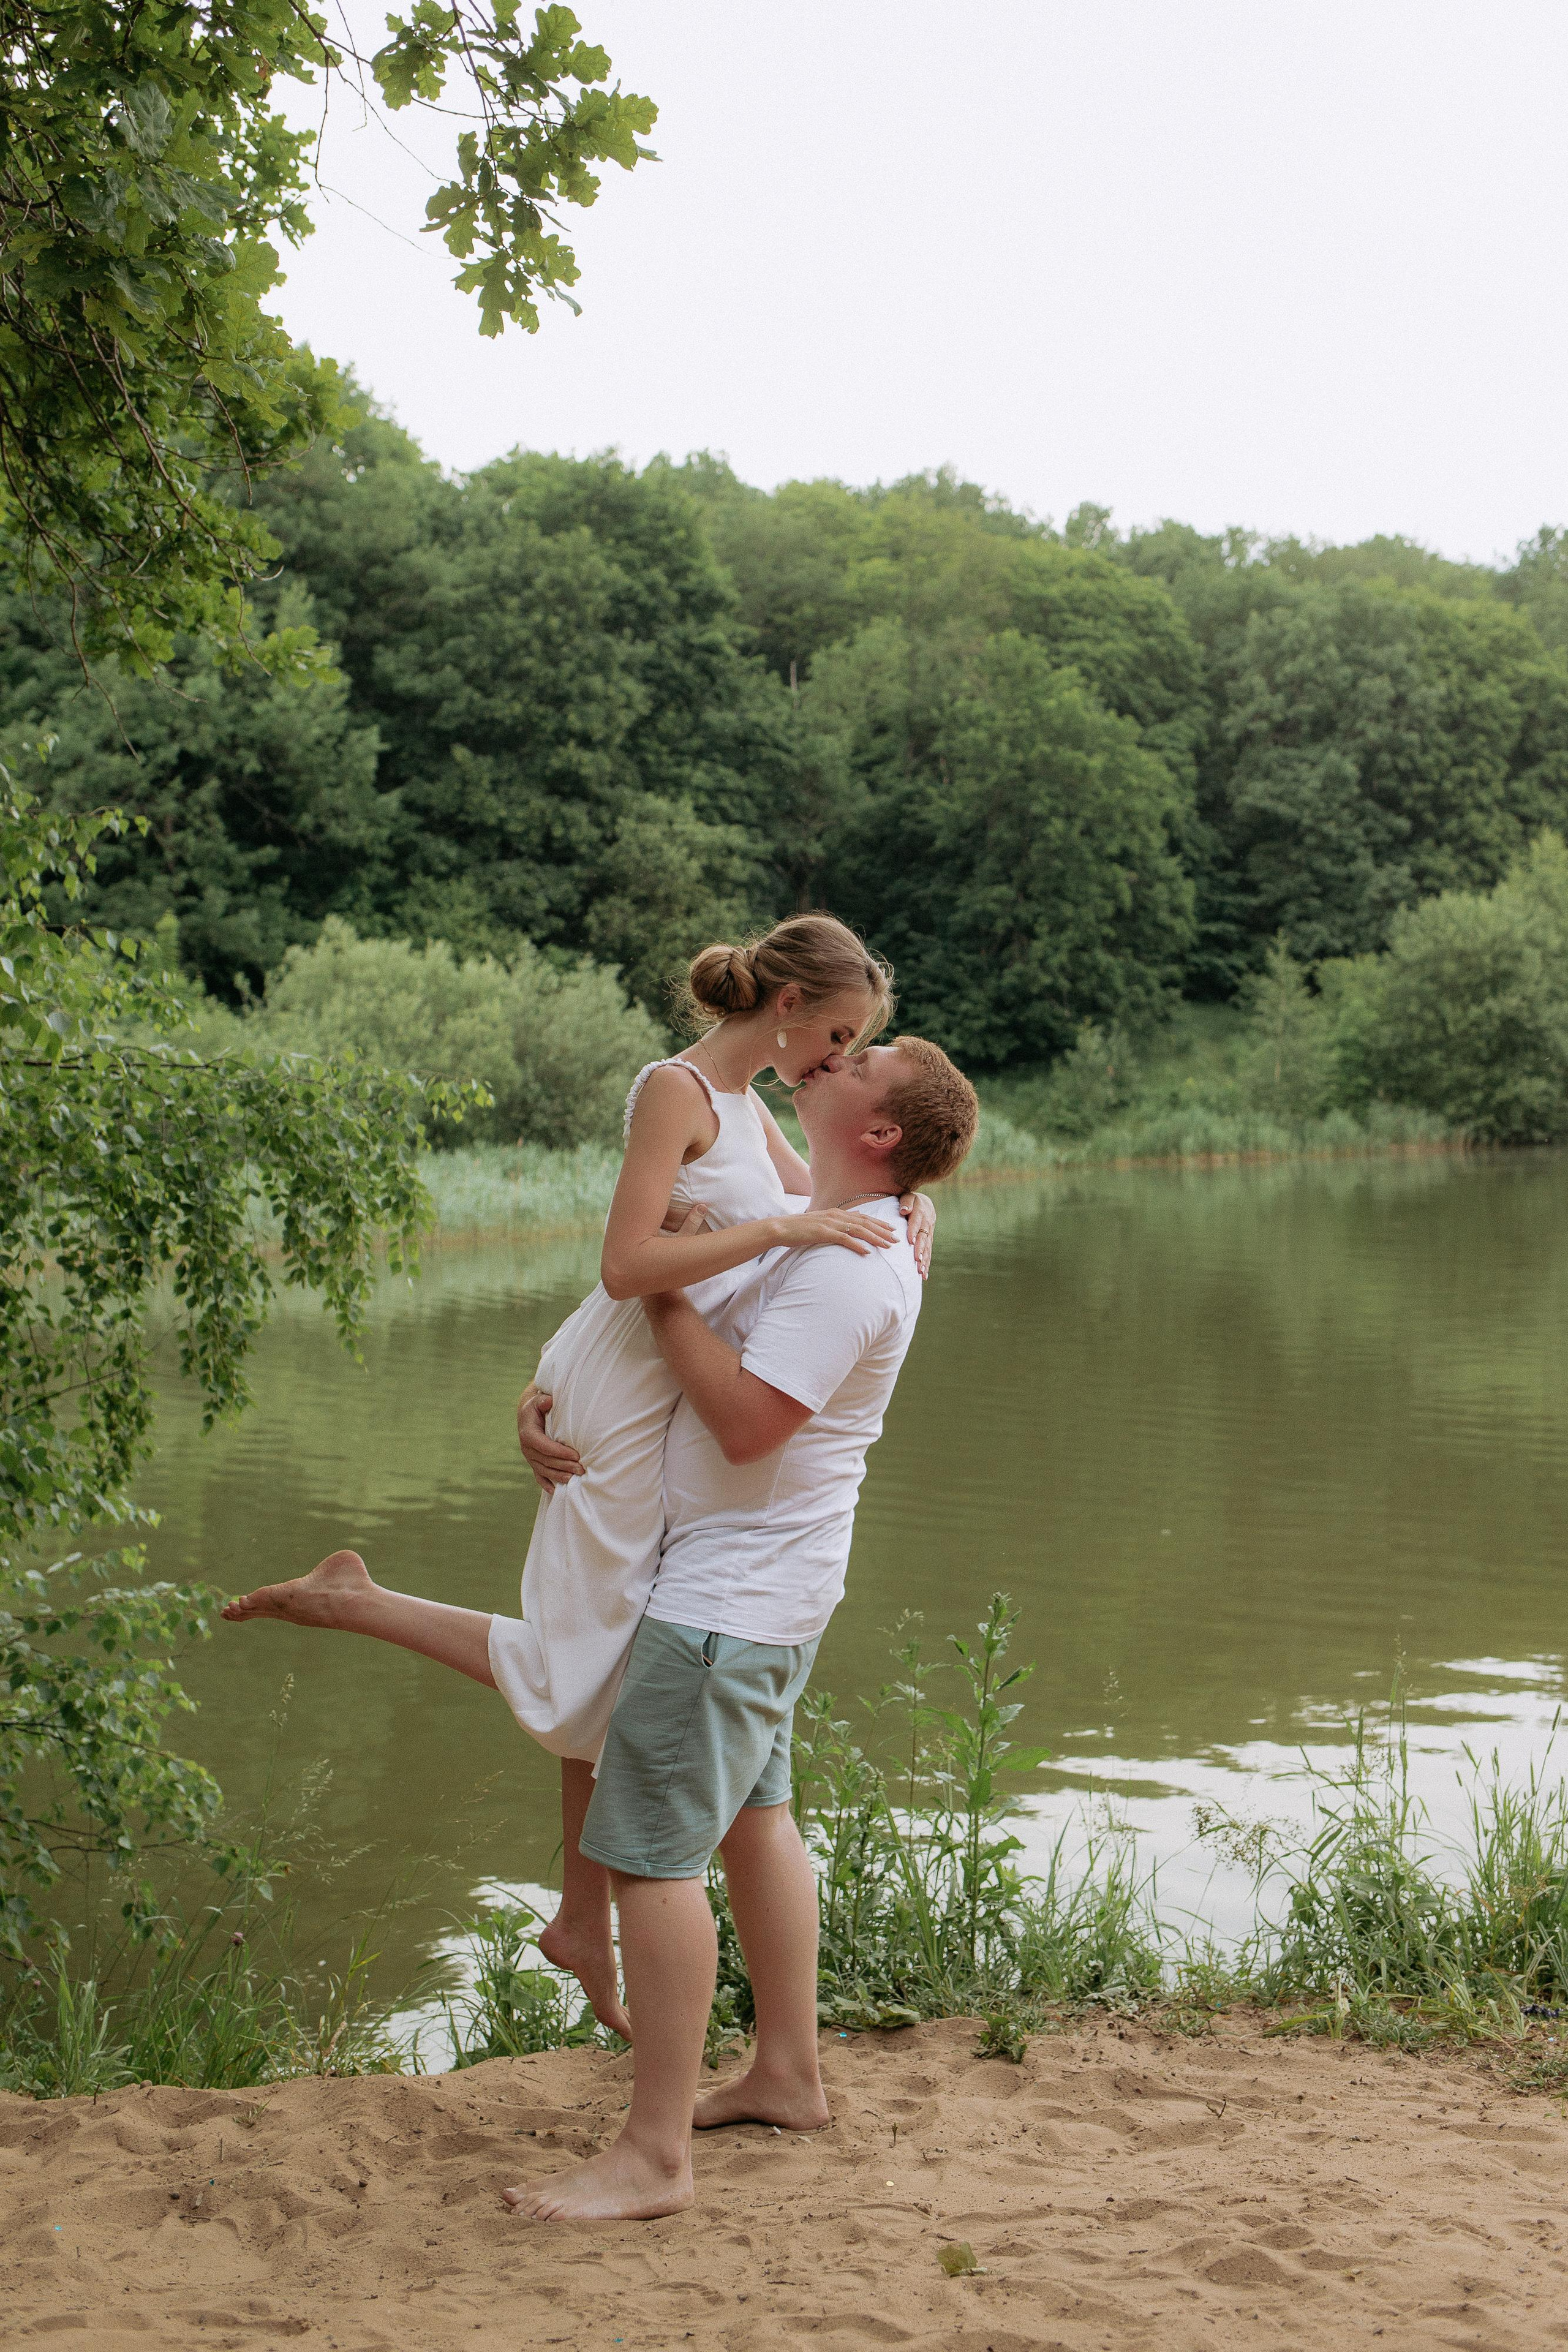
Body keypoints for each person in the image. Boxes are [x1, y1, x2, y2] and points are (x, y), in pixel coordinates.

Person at [222, 914, 935, 2042]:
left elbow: (832, 1206)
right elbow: (627, 1265)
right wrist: (773, 1244)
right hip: (624, 1385)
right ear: (790, 1005)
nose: (839, 1060)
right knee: (593, 1657)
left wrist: (911, 1207)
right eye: (839, 1031)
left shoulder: (753, 1111)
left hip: (657, 1387)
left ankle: (573, 1907)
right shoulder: (679, 1089)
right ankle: (568, 1893)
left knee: (611, 1651)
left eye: (857, 1046)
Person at [501, 1033, 979, 2225]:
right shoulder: (843, 1218)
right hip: (763, 1591)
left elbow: (745, 1426)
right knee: (758, 1825)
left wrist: (657, 1283)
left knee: (654, 1864)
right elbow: (734, 1128)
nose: (838, 1054)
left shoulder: (840, 1266)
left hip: (724, 1606)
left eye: (866, 1057)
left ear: (875, 1132)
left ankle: (653, 2155)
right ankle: (785, 2074)